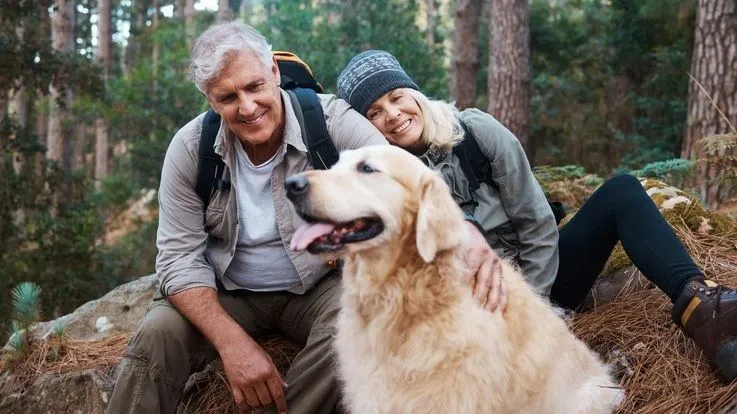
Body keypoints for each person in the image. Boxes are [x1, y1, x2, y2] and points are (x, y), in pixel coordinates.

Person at [106, 23, 503, 414]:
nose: (247, 107)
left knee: (360, 323)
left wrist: (467, 229)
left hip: (319, 285)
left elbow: (405, 179)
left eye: (255, 86)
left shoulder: (330, 122)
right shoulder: (191, 149)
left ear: (274, 73)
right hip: (229, 290)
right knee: (158, 334)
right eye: (227, 97)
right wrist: (232, 344)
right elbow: (178, 259)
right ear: (209, 99)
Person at [337, 49, 737, 382]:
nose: (391, 114)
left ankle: (702, 307)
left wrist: (541, 308)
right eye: (373, 112)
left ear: (415, 93)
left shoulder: (474, 131)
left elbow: (536, 221)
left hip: (544, 278)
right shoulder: (386, 186)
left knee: (622, 192)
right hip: (479, 311)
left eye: (395, 96)